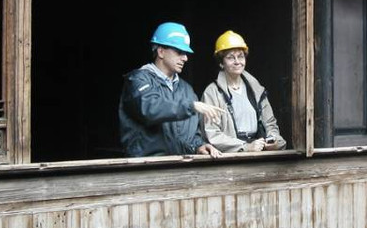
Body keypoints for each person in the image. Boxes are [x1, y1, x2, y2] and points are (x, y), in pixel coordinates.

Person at [119, 22, 223, 158]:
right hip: (146, 169)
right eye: (179, 52)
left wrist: (198, 146)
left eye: (185, 53)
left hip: (178, 168)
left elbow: (192, 134)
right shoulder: (138, 80)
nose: (185, 58)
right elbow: (150, 108)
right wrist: (191, 106)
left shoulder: (187, 89)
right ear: (161, 51)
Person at [201, 30, 286, 152]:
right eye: (230, 57)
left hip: (259, 153)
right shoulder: (212, 93)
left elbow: (270, 123)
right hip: (229, 159)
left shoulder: (256, 89)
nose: (237, 61)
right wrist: (244, 147)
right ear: (221, 63)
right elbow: (212, 133)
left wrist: (273, 140)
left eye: (240, 56)